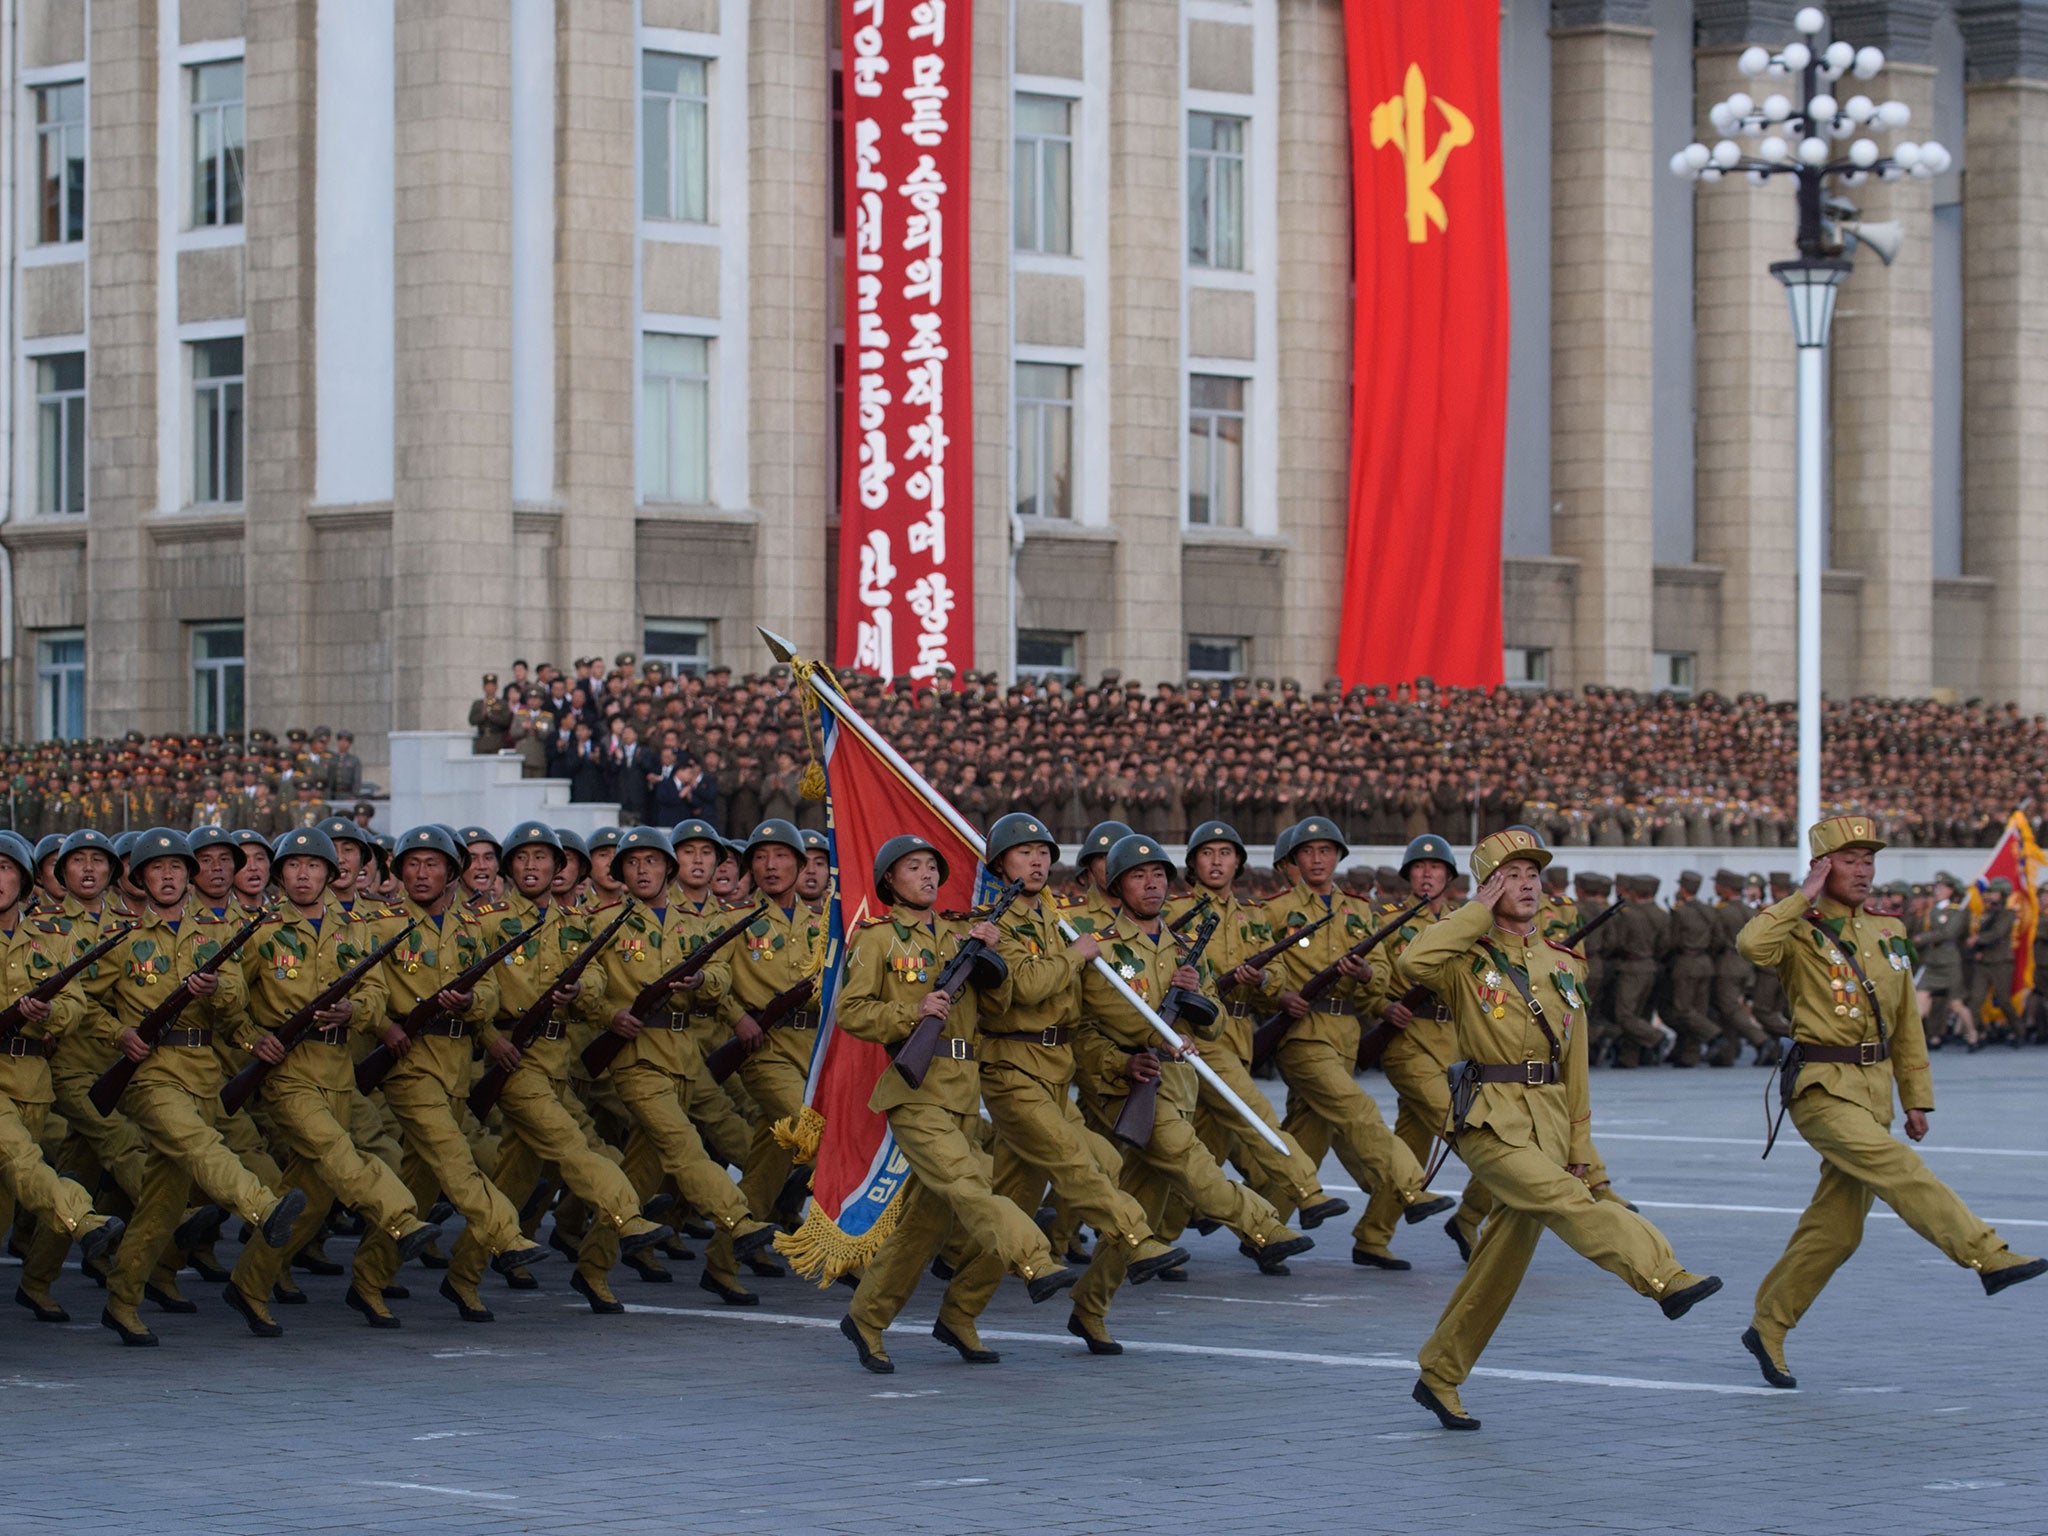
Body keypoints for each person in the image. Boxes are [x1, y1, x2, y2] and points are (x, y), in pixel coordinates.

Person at [1404, 827, 1723, 1430]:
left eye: (1533, 876)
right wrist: (1473, 911)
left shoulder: (1564, 961)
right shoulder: (1462, 954)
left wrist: (1580, 1147)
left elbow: (1573, 1067)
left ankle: (1439, 1374)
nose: (1526, 885)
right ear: (1487, 885)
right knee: (1568, 1202)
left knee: (1499, 1263)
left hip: (1548, 1121)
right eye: (1510, 876)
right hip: (1489, 1118)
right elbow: (1411, 962)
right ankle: (1663, 1274)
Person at [1735, 815, 2045, 1390]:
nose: (1863, 871)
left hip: (1873, 1092)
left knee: (1836, 1231)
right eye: (1849, 860)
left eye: (1868, 861)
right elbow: (1751, 945)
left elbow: (1904, 1023)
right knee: (1897, 1168)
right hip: (1823, 1089)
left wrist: (1916, 1098)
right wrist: (1799, 898)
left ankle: (1767, 1326)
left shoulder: (1889, 930)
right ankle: (1987, 1255)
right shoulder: (1797, 928)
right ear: (1822, 867)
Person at [899, 813, 1190, 1363]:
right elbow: (1025, 988)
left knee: (1023, 1199)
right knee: (1078, 1164)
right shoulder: (996, 924)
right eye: (1022, 852)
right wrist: (1074, 955)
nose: (1035, 861)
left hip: (1056, 1070)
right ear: (1000, 864)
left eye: (1042, 852)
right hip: (1013, 1069)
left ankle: (959, 1313)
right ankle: (1136, 1236)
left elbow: (1087, 999)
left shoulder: (1053, 917)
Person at [837, 835, 1083, 1373]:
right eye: (912, 867)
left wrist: (989, 954)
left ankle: (868, 1316)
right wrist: (911, 1014)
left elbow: (998, 1005)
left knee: (924, 1226)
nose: (926, 875)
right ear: (889, 882)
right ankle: (1036, 1261)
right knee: (973, 1188)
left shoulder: (960, 933)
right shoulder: (877, 940)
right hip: (916, 1092)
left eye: (932, 867)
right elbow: (851, 1011)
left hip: (962, 1091)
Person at [1066, 835, 1311, 1350]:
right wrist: (1120, 1061)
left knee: (1144, 1209)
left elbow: (1217, 1025)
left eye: (1159, 875)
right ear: (1117, 886)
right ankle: (1263, 1227)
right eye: (1139, 876)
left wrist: (1195, 996)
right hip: (1127, 1086)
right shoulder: (1104, 951)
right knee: (1192, 1161)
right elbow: (1081, 1029)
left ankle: (1089, 1308)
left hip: (1175, 1089)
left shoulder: (1180, 950)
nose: (1152, 884)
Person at [87, 829, 308, 1345]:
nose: (167, 877)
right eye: (156, 869)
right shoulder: (121, 936)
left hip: (202, 1072)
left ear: (189, 877)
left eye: (175, 868)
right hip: (151, 1075)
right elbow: (82, 1001)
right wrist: (119, 1033)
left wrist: (221, 995)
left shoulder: (212, 936)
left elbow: (234, 1015)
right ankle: (261, 1206)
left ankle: (122, 1301)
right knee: (201, 1145)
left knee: (161, 1206)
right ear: (139, 878)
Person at [222, 827, 443, 1333]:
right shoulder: (261, 929)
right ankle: (400, 1217)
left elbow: (374, 994)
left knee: (310, 1199)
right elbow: (231, 1003)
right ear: (281, 875)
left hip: (338, 1071)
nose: (304, 875)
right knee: (338, 1153)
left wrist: (354, 1011)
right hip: (288, 1073)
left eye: (313, 866)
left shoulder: (353, 930)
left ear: (329, 873)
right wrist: (252, 1039)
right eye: (294, 867)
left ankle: (249, 1285)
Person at [459, 822, 675, 1315]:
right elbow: (468, 988)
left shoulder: (574, 922)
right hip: (515, 1059)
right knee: (572, 1146)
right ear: (509, 867)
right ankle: (627, 1214)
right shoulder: (488, 922)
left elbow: (595, 977)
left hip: (558, 1060)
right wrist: (491, 1037)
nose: (531, 866)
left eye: (542, 858)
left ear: (559, 868)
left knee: (515, 1180)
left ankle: (463, 1273)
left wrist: (583, 993)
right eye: (522, 858)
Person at [351, 827, 551, 1323]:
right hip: (410, 1065)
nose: (421, 874)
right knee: (456, 1159)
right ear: (398, 871)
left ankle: (370, 1276)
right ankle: (505, 1234)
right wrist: (384, 1024)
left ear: (450, 872)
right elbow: (364, 987)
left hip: (457, 1065)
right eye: (412, 864)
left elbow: (490, 995)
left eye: (432, 864)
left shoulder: (471, 927)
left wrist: (473, 1003)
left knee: (419, 1183)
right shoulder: (379, 924)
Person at [1262, 817, 1454, 1251]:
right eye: (1308, 851)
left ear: (1338, 857)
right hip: (1303, 1032)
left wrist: (1368, 974)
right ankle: (1408, 1185)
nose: (1317, 859)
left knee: (1310, 1137)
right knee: (1357, 1110)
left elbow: (1382, 973)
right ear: (1293, 860)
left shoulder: (1358, 911)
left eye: (1326, 851)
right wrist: (1279, 995)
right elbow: (1260, 965)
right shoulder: (1272, 911)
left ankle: (1261, 1225)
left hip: (1346, 1035)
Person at [0, 830, 126, 1324]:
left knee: (9, 1202)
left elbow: (75, 1003)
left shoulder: (51, 940)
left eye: (7, 869)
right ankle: (85, 1219)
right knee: (24, 1160)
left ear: (26, 881)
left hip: (33, 1079)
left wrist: (46, 1013)